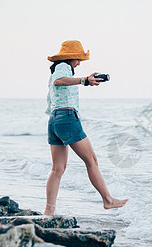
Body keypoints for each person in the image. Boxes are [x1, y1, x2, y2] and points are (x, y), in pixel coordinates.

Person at [44, 40, 128, 215]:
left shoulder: (60, 69)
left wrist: (87, 80)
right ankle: (108, 200)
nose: (79, 63)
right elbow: (59, 81)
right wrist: (84, 80)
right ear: (71, 58)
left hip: (55, 120)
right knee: (92, 161)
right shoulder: (63, 68)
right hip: (67, 118)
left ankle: (49, 211)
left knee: (57, 169)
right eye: (78, 59)